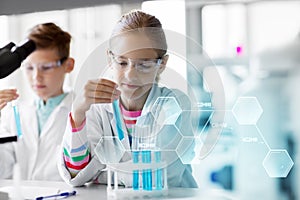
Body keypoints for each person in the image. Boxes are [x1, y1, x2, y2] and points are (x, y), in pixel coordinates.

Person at [59, 10, 198, 188]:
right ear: (110, 58)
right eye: (122, 62)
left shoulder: (174, 104)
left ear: (161, 64)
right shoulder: (97, 107)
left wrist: (99, 175)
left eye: (144, 64)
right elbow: (76, 175)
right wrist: (78, 113)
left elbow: (158, 178)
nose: (130, 75)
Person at [0, 22, 74, 181]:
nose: (36, 77)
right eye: (29, 68)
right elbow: (3, 171)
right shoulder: (13, 113)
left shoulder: (83, 112)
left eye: (46, 67)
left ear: (68, 65)